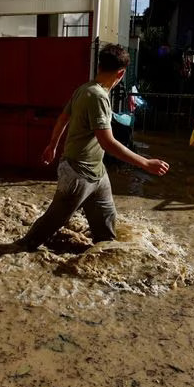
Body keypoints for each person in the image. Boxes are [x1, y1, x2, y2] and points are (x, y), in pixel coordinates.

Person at [16, 44, 169, 251]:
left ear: (99, 65)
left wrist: (52, 145)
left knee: (107, 226)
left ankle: (104, 258)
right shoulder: (96, 96)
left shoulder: (84, 89)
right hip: (78, 174)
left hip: (97, 173)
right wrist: (145, 163)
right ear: (121, 73)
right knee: (51, 222)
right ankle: (17, 250)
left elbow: (63, 118)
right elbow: (108, 142)